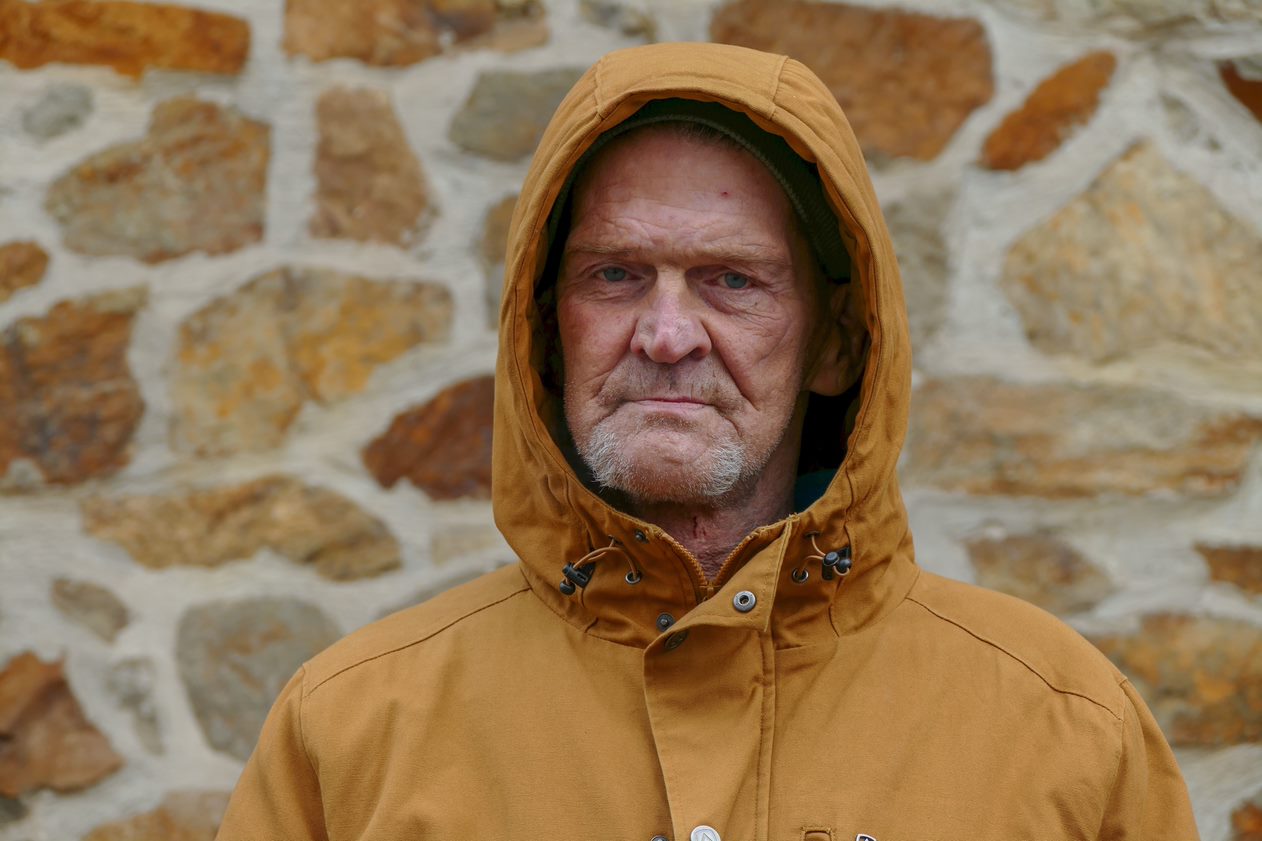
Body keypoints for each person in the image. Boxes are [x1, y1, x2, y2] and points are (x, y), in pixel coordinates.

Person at [216, 42, 1199, 840]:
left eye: (730, 279)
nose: (666, 332)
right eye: (614, 274)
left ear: (832, 342)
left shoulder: (1062, 726)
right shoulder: (350, 731)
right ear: (544, 326)